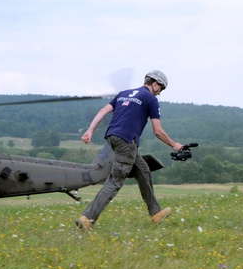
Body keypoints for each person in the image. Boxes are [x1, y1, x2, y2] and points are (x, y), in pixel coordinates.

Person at [76, 70, 183, 231]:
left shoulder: (124, 93)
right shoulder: (150, 99)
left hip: (113, 138)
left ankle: (156, 213)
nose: (160, 92)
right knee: (115, 181)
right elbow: (158, 131)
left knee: (143, 170)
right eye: (161, 88)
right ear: (154, 83)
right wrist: (174, 144)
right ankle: (87, 218)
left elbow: (102, 111)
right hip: (127, 140)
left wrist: (90, 130)